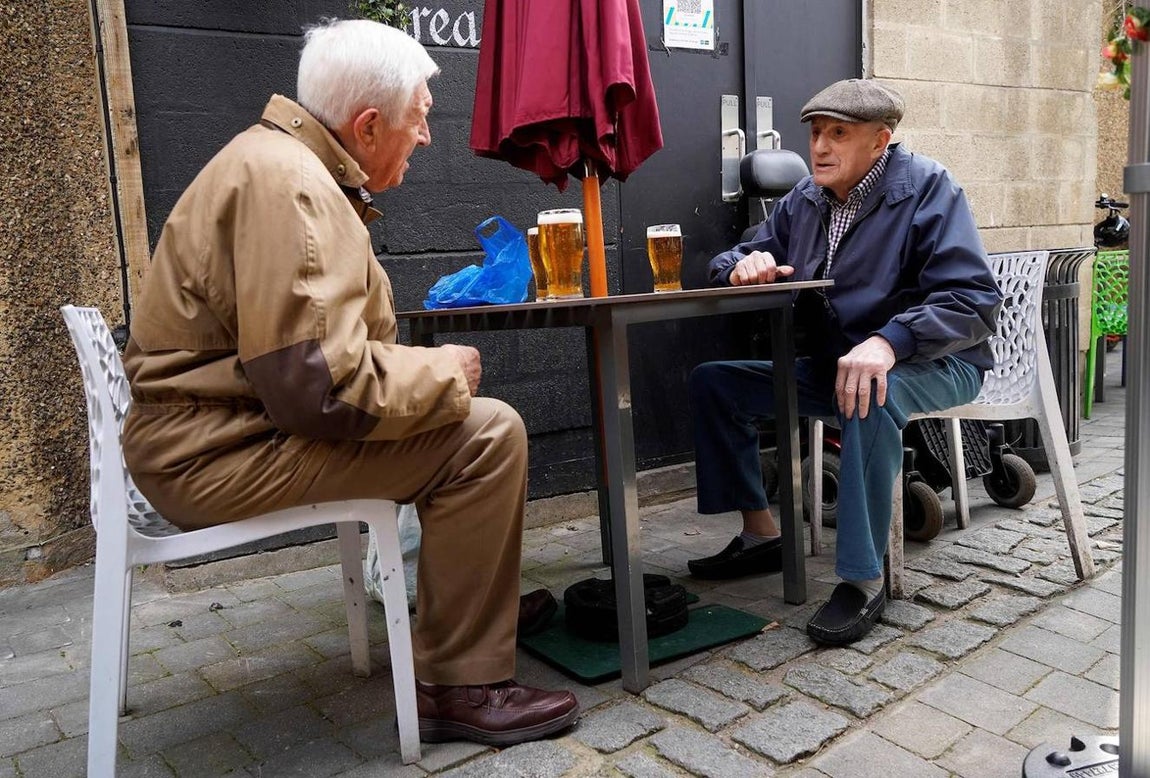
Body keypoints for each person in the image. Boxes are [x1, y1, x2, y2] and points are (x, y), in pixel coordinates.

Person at [120, 19, 578, 746]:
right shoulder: (294, 188)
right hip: (216, 455)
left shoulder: (278, 166)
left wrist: (421, 378)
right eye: (419, 118)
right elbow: (317, 388)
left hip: (213, 437)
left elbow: (309, 363)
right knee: (487, 433)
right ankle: (460, 684)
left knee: (452, 420)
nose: (426, 137)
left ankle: (469, 610)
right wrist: (442, 371)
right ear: (368, 126)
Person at [686, 79, 1003, 646]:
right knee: (716, 384)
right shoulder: (804, 202)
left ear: (880, 141)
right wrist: (743, 264)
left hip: (937, 359)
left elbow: (973, 302)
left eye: (838, 133)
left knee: (869, 390)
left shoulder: (929, 189)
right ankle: (762, 535)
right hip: (838, 366)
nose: (821, 147)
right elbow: (731, 256)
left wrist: (889, 341)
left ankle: (863, 577)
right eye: (815, 133)